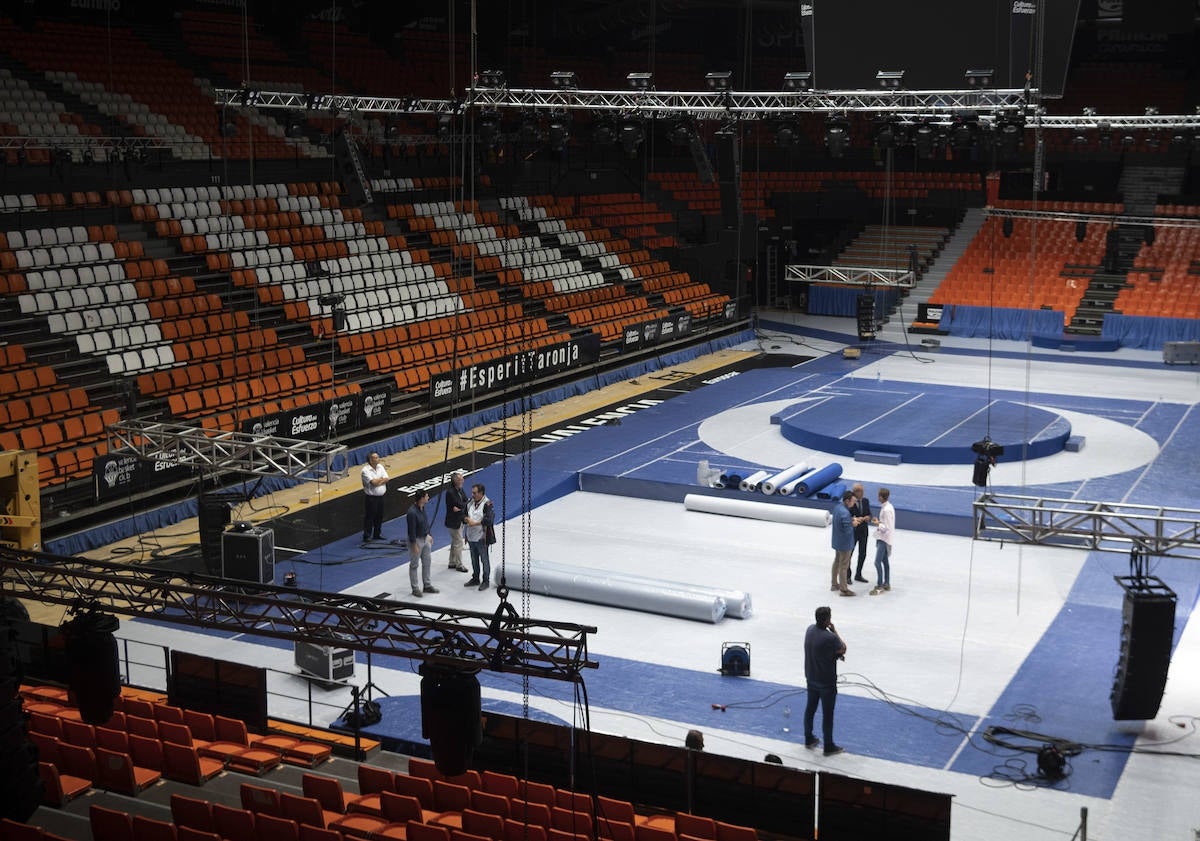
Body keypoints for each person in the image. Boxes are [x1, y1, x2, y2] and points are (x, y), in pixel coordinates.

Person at [803, 605, 846, 756]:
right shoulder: (830, 637)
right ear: (828, 620)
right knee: (828, 714)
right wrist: (834, 630)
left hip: (811, 677)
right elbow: (843, 648)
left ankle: (809, 738)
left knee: (810, 709)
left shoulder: (809, 630)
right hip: (826, 682)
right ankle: (828, 745)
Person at [405, 490, 438, 598]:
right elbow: (411, 530)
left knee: (427, 562)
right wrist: (414, 544)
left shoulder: (422, 508)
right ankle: (415, 588)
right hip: (417, 541)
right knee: (414, 565)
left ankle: (427, 585)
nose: (428, 497)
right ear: (422, 498)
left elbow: (425, 522)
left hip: (425, 538)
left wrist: (429, 534)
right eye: (427, 496)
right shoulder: (412, 512)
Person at [463, 483, 494, 591]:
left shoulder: (487, 504)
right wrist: (467, 520)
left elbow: (489, 519)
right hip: (471, 536)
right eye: (472, 492)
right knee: (473, 559)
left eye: (475, 493)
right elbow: (463, 515)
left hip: (481, 537)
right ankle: (475, 578)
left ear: (481, 493)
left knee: (484, 560)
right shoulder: (470, 502)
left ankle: (486, 580)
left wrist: (475, 523)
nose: (473, 495)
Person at [830, 489, 856, 595]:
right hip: (845, 544)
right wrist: (853, 524)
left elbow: (841, 523)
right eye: (853, 501)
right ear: (847, 501)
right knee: (844, 565)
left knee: (837, 562)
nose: (854, 503)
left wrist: (850, 521)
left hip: (837, 541)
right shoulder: (845, 513)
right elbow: (848, 530)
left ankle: (834, 584)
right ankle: (844, 589)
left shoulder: (837, 508)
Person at [870, 487, 895, 595]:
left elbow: (886, 527)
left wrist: (877, 523)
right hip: (884, 538)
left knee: (877, 562)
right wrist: (879, 522)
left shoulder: (886, 510)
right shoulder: (888, 507)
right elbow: (885, 524)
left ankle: (880, 585)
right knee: (885, 562)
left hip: (884, 539)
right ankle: (887, 583)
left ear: (881, 496)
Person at [443, 472, 469, 573]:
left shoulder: (460, 490)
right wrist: (463, 504)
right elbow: (459, 504)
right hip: (453, 521)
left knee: (455, 541)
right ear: (455, 481)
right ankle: (459, 564)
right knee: (459, 542)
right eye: (460, 479)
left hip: (459, 519)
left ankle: (452, 562)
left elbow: (465, 501)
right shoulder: (450, 492)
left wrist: (462, 505)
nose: (463, 480)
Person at [361, 452, 388, 542]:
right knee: (370, 517)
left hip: (381, 497)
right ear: (370, 460)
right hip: (371, 498)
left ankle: (377, 534)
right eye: (376, 458)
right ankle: (367, 536)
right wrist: (381, 480)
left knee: (379, 516)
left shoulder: (380, 467)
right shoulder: (365, 470)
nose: (378, 459)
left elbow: (387, 479)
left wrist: (378, 481)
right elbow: (373, 483)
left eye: (378, 457)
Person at [851, 483, 872, 583]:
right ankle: (847, 575)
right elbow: (848, 515)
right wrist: (855, 518)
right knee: (849, 554)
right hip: (853, 531)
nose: (863, 493)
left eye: (863, 491)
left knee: (862, 554)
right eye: (860, 491)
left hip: (863, 531)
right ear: (855, 492)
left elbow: (869, 513)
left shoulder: (865, 501)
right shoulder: (850, 502)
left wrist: (868, 517)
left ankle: (858, 574)